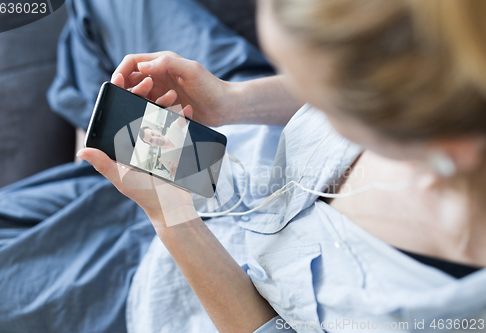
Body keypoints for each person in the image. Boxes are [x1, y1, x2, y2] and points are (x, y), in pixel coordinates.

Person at [76, 0, 486, 332]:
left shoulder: (439, 310)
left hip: (179, 282)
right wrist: (232, 101)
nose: (308, 102)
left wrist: (170, 216)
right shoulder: (449, 49)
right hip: (237, 153)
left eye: (317, 96)